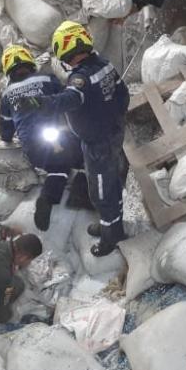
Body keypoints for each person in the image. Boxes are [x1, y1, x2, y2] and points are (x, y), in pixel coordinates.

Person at [15, 21, 130, 257]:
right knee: (111, 182)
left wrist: (35, 102)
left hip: (98, 143)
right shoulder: (105, 65)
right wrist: (111, 116)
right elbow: (123, 95)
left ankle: (111, 237)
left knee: (101, 192)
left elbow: (66, 100)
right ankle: (112, 224)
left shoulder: (81, 79)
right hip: (113, 133)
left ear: (65, 51)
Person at [0, 44, 85, 231]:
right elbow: (67, 100)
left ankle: (47, 198)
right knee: (82, 157)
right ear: (30, 63)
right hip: (58, 135)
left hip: (32, 146)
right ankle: (82, 192)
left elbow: (5, 128)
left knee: (57, 167)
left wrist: (6, 138)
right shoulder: (46, 78)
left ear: (8, 71)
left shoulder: (6, 94)